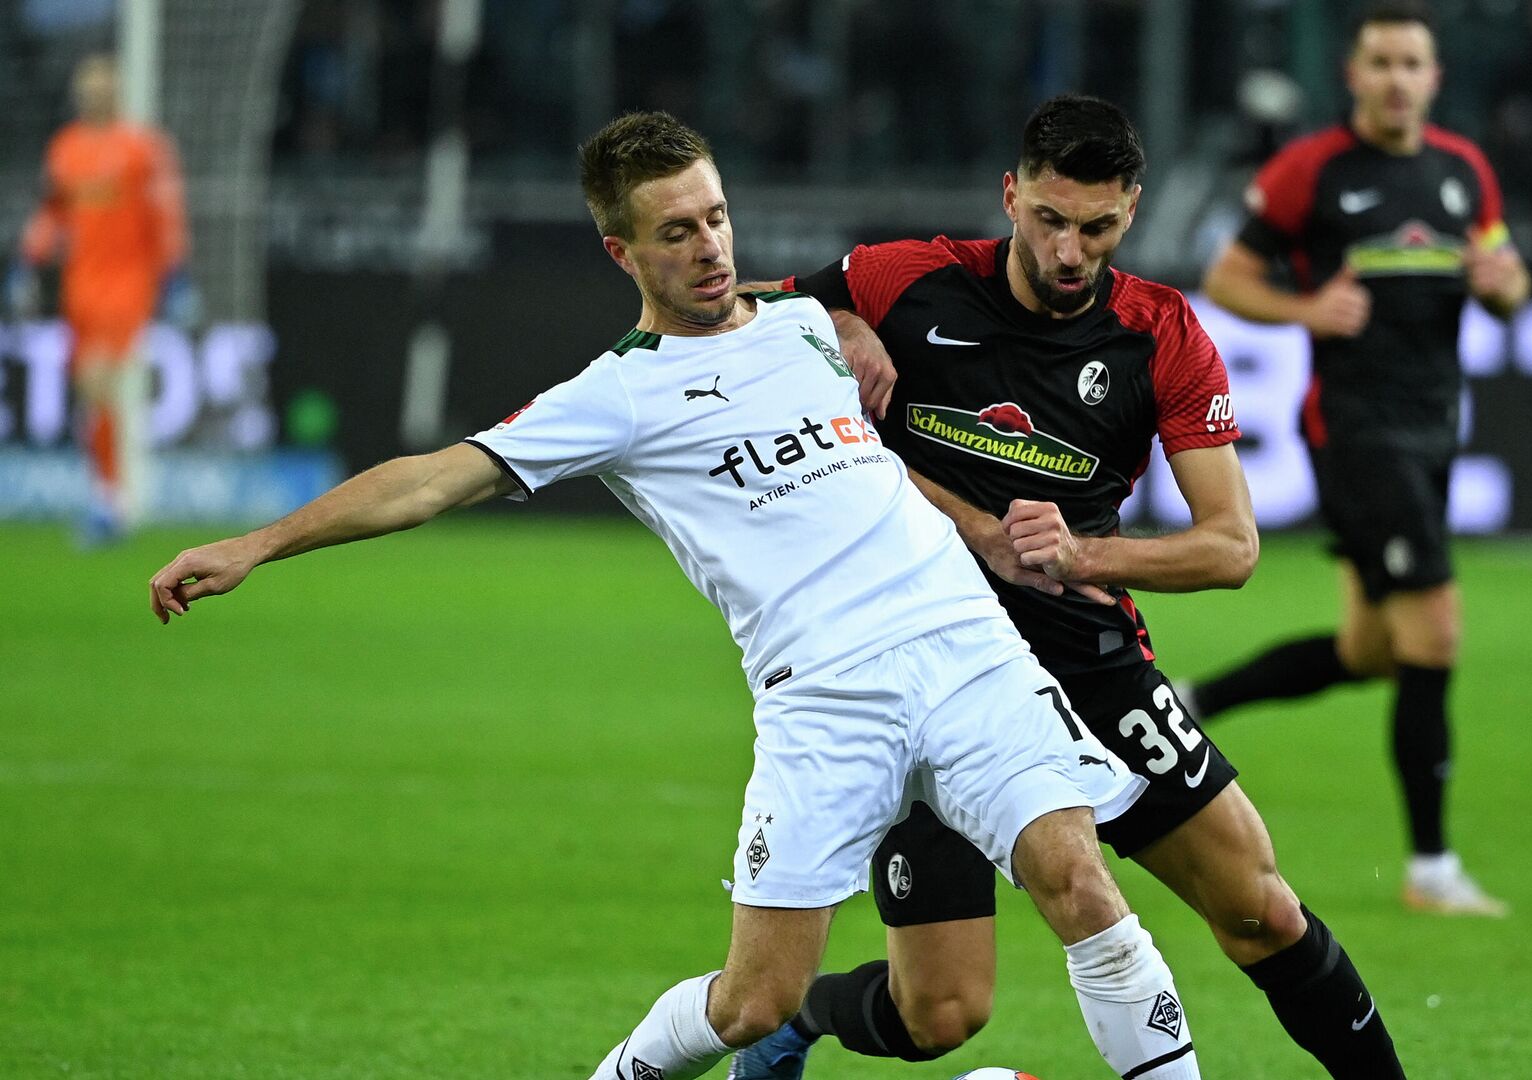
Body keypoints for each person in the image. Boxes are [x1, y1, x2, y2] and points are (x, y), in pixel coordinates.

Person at [146, 111, 1204, 1080]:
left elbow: (864, 315)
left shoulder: (803, 325)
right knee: (756, 1001)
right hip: (827, 699)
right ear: (623, 252)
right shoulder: (619, 395)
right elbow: (433, 478)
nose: (709, 248)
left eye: (718, 218)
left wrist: (848, 324)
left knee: (1083, 890)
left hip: (969, 647)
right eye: (676, 233)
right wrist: (259, 542)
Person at [732, 95, 1403, 1080]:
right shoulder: (902, 282)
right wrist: (831, 321)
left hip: (1083, 660)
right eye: (1048, 220)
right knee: (943, 1015)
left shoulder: (1159, 333)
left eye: (1096, 227)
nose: (1068, 250)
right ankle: (806, 1022)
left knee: (1259, 906)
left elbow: (1231, 547)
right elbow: (721, 315)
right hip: (922, 671)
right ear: (1011, 197)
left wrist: (1083, 558)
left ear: (1129, 212)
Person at [1182, 2, 1531, 917]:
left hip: (1433, 427)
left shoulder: (1463, 174)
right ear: (1355, 74)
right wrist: (1305, 312)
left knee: (1371, 651)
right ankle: (1432, 868)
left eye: (1411, 62)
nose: (1395, 78)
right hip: (1355, 429)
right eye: (1379, 61)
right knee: (1438, 631)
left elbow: (1508, 276)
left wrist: (1506, 288)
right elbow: (1227, 277)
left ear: (1434, 78)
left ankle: (1195, 695)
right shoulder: (1312, 171)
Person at [9, 54, 194, 544]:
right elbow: (51, 212)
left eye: (103, 88)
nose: (94, 96)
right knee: (93, 395)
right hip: (80, 285)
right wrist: (28, 263)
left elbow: (165, 212)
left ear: (116, 92)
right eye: (87, 89)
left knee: (97, 379)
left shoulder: (142, 148)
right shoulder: (64, 148)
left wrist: (175, 275)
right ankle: (108, 496)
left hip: (129, 281)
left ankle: (109, 501)